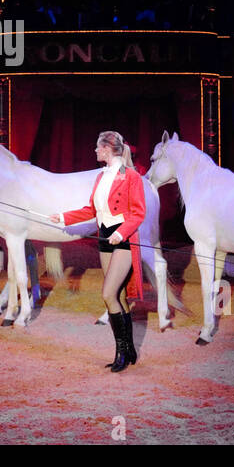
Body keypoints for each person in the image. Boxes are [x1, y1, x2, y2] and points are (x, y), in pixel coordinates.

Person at [49, 130, 147, 372]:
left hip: (121, 239)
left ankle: (121, 352)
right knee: (118, 296)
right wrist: (63, 217)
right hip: (104, 237)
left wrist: (120, 233)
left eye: (97, 147)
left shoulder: (131, 176)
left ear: (107, 148)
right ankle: (128, 350)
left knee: (108, 294)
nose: (94, 151)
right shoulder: (100, 176)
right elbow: (91, 210)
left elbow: (138, 213)